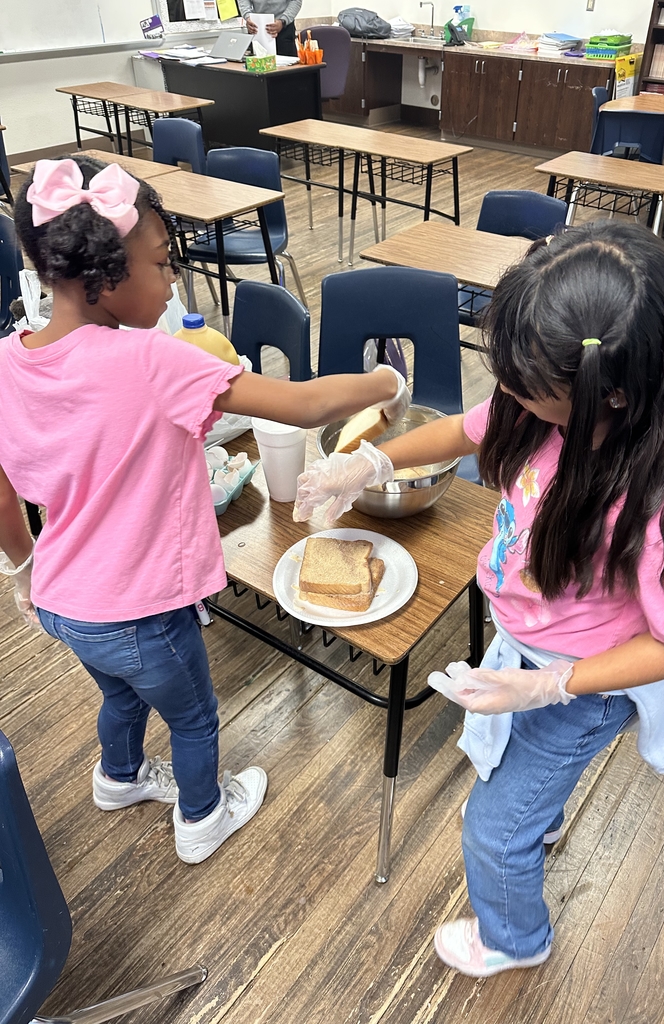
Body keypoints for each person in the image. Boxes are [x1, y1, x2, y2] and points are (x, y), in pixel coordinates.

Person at [293, 221, 664, 976]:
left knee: (493, 832)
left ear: (612, 396)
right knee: (526, 786)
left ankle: (514, 940)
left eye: (531, 389)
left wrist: (551, 684)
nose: (509, 400)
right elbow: (462, 433)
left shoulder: (661, 503)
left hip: (585, 682)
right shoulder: (542, 413)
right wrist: (367, 462)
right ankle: (546, 814)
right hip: (535, 642)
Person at [0, 154, 408, 865]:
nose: (173, 280)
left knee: (122, 698)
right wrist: (385, 379)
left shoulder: (8, 361)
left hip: (63, 602)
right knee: (193, 717)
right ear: (103, 275)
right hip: (142, 611)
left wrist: (22, 569)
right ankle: (202, 818)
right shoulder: (155, 363)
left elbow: (3, 489)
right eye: (161, 262)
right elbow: (306, 401)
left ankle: (118, 777)